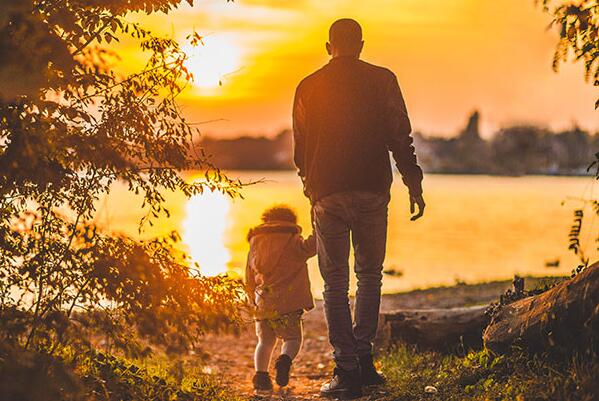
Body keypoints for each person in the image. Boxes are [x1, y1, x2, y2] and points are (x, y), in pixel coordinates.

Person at [292, 18, 426, 399]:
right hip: (371, 188)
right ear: (362, 45)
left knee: (335, 283)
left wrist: (310, 186)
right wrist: (412, 182)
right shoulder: (383, 79)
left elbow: (301, 147)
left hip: (327, 193)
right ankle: (364, 361)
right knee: (370, 276)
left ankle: (346, 369)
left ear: (327, 46)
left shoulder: (308, 85)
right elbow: (400, 135)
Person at [245, 205, 317, 391]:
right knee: (292, 339)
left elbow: (248, 277)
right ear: (291, 223)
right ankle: (284, 361)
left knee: (265, 342)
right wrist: (318, 223)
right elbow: (313, 246)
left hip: (263, 303)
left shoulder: (255, 244)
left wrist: (252, 300)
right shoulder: (293, 241)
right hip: (290, 304)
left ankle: (261, 377)